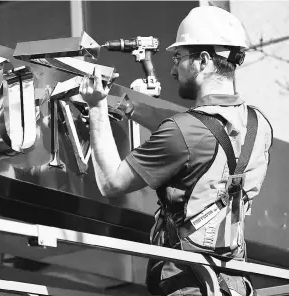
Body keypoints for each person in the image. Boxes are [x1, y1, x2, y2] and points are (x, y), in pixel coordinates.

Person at [79, 5, 273, 296]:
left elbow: (111, 182)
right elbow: (203, 129)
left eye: (179, 58)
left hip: (185, 282)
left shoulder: (183, 131)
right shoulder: (260, 126)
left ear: (203, 60)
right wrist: (129, 105)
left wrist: (95, 106)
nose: (172, 69)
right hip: (233, 284)